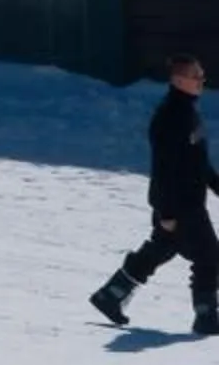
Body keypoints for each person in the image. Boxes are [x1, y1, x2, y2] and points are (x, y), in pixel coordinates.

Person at [92, 55, 219, 334]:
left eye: (202, 76)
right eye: (196, 76)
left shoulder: (188, 112)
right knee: (210, 256)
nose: (201, 81)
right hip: (179, 205)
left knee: (161, 248)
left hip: (186, 202)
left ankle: (111, 295)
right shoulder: (170, 117)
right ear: (178, 80)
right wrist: (166, 212)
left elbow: (197, 159)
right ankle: (206, 316)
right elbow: (163, 168)